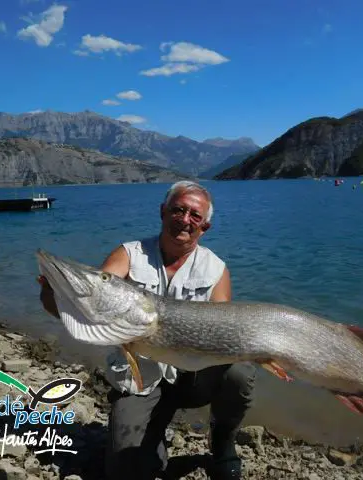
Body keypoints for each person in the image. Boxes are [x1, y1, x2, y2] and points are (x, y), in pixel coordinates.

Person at [38, 181, 256, 480]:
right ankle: (153, 438)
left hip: (192, 377)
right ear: (163, 212)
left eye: (195, 215)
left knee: (240, 371)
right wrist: (53, 296)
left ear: (205, 227)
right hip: (140, 376)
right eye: (178, 209)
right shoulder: (128, 254)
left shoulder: (217, 269)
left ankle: (222, 441)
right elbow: (92, 307)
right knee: (126, 471)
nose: (185, 219)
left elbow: (223, 334)